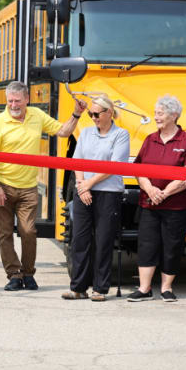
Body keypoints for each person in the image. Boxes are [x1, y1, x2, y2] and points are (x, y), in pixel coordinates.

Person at [0, 81, 86, 291]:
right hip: (3, 185)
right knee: (5, 233)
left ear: (27, 100)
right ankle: (14, 275)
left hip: (28, 187)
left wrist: (76, 114)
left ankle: (28, 273)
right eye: (10, 101)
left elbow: (63, 132)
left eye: (17, 101)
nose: (13, 105)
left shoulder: (36, 116)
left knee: (29, 231)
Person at [126, 95, 186, 303]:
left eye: (160, 113)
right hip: (149, 203)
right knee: (147, 244)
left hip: (176, 205)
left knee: (172, 245)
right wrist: (149, 189)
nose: (156, 117)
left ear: (174, 115)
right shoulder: (150, 139)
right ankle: (144, 288)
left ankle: (167, 288)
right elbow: (138, 169)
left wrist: (165, 193)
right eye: (155, 113)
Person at [61, 95, 130, 302]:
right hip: (85, 190)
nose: (93, 117)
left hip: (108, 193)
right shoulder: (86, 133)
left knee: (104, 240)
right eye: (91, 114)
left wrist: (89, 184)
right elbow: (77, 160)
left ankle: (100, 288)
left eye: (96, 114)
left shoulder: (121, 134)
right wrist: (82, 186)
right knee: (80, 239)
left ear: (109, 113)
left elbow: (115, 164)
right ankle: (78, 287)